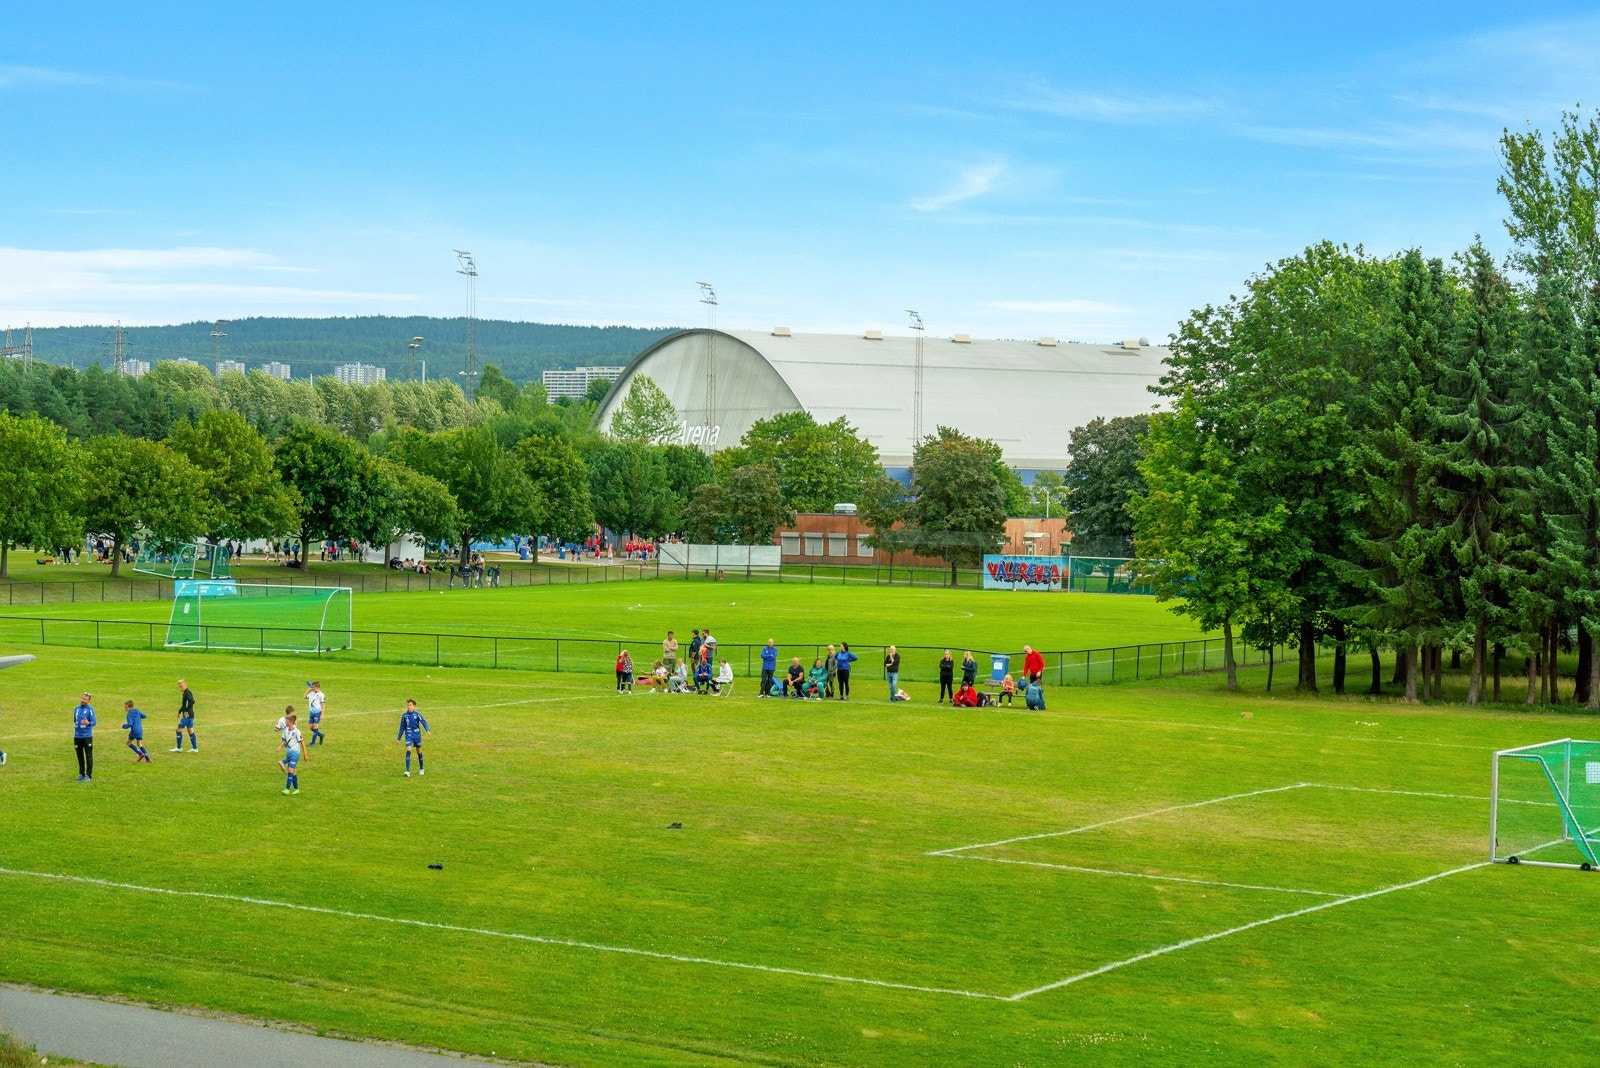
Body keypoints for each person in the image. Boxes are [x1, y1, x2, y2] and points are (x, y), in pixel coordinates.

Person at [397, 699, 431, 776]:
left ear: (414, 707)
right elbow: (402, 727)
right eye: (408, 705)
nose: (409, 707)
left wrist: (427, 730)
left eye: (410, 705)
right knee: (408, 750)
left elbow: (423, 722)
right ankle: (407, 771)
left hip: (417, 735)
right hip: (408, 735)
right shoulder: (404, 716)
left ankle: (421, 768)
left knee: (419, 751)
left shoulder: (417, 714)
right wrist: (398, 738)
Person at [278, 708, 305, 795]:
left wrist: (305, 754)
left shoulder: (297, 732)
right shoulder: (286, 731)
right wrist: (280, 747)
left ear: (291, 722)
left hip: (295, 753)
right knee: (293, 772)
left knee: (290, 770)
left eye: (287, 721)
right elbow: (285, 740)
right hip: (289, 753)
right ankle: (296, 789)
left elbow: (302, 742)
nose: (285, 722)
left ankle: (287, 789)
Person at [73, 692, 96, 781]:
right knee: (79, 756)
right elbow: (75, 721)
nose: (83, 700)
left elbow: (94, 722)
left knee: (88, 756)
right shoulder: (76, 709)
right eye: (82, 698)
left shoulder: (90, 709)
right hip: (77, 737)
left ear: (88, 701)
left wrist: (88, 723)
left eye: (85, 699)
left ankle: (89, 775)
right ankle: (81, 774)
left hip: (87, 737)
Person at [172, 679, 197, 753]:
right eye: (179, 687)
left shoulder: (187, 693)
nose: (180, 688)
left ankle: (179, 747)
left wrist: (186, 711)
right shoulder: (186, 693)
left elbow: (192, 701)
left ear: (186, 685)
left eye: (181, 686)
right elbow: (184, 705)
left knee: (178, 729)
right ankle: (195, 748)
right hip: (191, 714)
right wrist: (179, 712)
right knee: (190, 730)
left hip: (187, 716)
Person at [305, 681, 327, 745]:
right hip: (311, 713)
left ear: (317, 687)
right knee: (311, 727)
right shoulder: (311, 693)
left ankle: (313, 743)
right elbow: (304, 697)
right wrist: (308, 690)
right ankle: (321, 735)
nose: (312, 688)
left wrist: (322, 714)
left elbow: (323, 705)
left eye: (313, 687)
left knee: (315, 727)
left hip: (317, 713)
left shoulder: (321, 694)